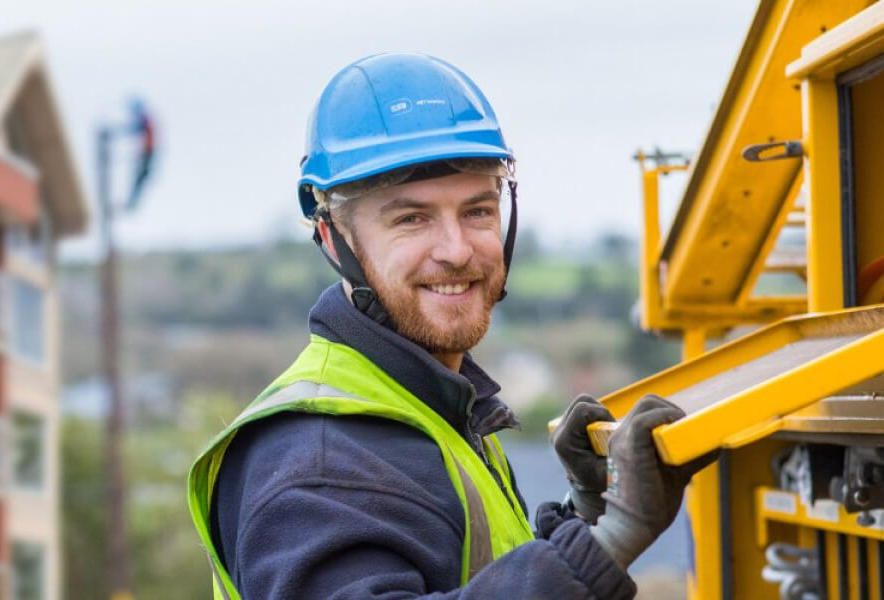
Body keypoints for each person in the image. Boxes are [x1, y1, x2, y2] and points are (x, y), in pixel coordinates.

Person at [187, 53, 712, 599]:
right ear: (331, 235)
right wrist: (612, 541)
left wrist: (585, 515)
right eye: (411, 219)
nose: (457, 250)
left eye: (477, 211)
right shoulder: (320, 463)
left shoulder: (431, 409)